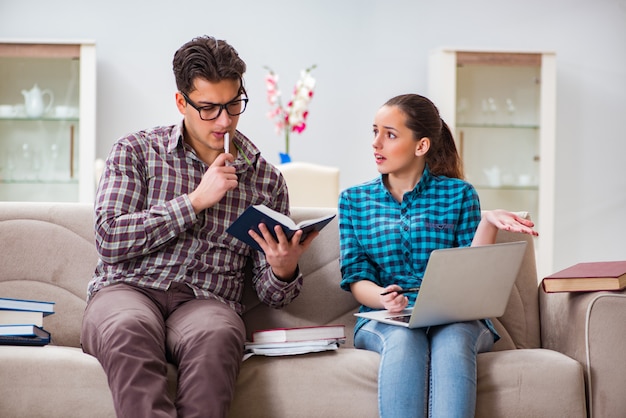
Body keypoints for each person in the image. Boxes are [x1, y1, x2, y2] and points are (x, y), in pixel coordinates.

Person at [80, 35, 318, 418]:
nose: (225, 121)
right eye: (208, 108)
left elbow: (272, 294)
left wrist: (283, 268)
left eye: (234, 104)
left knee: (219, 335)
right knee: (128, 328)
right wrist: (194, 201)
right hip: (127, 292)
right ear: (181, 102)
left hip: (207, 302)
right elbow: (109, 238)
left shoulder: (266, 181)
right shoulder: (136, 151)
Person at [338, 93, 538, 418]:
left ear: (421, 146)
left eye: (390, 134)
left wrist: (487, 223)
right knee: (404, 343)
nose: (376, 143)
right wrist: (383, 298)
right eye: (374, 131)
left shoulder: (459, 194)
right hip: (388, 318)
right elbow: (356, 276)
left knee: (452, 343)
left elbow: (472, 275)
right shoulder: (353, 200)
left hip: (456, 317)